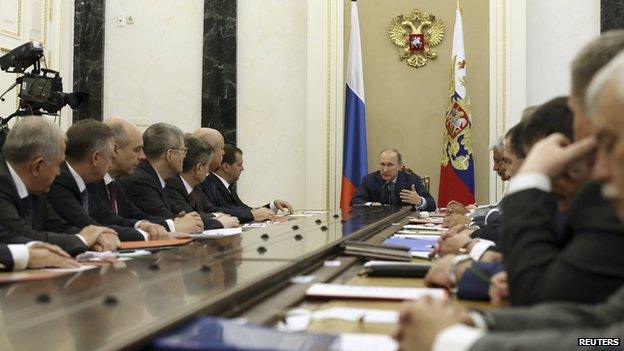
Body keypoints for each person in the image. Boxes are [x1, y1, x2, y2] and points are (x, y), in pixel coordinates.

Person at [394, 30, 624, 351]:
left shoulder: (599, 205)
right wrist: (476, 322)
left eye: (608, 142)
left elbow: (581, 323)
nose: (598, 168)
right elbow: (601, 327)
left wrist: (455, 342)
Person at [0, 117, 119, 255]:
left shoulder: (36, 188)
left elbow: (57, 227)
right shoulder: (2, 183)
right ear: (37, 166)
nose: (58, 173)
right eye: (58, 165)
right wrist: (82, 239)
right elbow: (19, 236)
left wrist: (96, 237)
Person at [46, 120, 149, 241]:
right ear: (96, 158)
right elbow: (88, 226)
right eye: (111, 157)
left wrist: (142, 226)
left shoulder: (90, 181)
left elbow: (107, 217)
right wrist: (146, 235)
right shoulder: (58, 182)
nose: (112, 162)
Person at [87, 116, 182, 239]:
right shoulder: (91, 182)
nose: (142, 156)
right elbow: (101, 225)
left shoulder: (115, 183)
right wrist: (172, 226)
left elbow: (135, 217)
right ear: (114, 149)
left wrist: (151, 226)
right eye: (137, 150)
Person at [120, 122, 203, 233]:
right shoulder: (141, 181)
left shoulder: (160, 179)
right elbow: (166, 219)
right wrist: (181, 221)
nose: (184, 156)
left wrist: (183, 220)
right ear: (169, 154)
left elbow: (181, 214)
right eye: (183, 151)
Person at [204, 144, 294, 221]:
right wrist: (251, 215)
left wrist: (273, 205)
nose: (242, 168)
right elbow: (218, 212)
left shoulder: (228, 187)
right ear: (226, 167)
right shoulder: (208, 185)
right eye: (239, 165)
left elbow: (246, 210)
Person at [166, 135, 240, 229]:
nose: (208, 171)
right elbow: (191, 219)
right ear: (199, 168)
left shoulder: (196, 186)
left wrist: (217, 216)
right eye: (207, 166)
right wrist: (219, 221)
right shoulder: (172, 186)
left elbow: (208, 209)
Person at [351, 148, 436, 211]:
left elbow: (432, 205)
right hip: (377, 224)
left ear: (400, 165)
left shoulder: (412, 180)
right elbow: (355, 201)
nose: (385, 170)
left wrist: (420, 201)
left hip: (404, 225)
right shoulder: (369, 180)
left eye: (390, 165)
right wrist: (371, 204)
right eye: (382, 164)